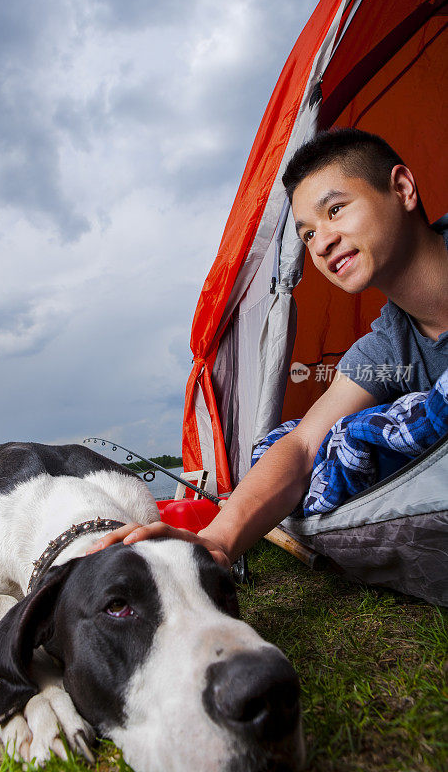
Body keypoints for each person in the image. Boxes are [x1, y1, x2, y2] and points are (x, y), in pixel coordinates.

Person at [88, 128, 448, 568]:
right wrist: (217, 540)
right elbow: (301, 446)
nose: (323, 242)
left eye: (335, 210)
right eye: (308, 234)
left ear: (402, 189)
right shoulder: (387, 347)